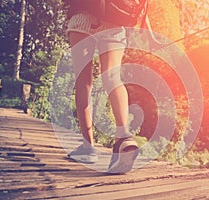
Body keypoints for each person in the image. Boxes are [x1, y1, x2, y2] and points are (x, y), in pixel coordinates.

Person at [64, 1, 139, 174]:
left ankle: (87, 147)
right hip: (116, 20)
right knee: (113, 77)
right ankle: (124, 135)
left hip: (83, 18)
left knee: (84, 82)